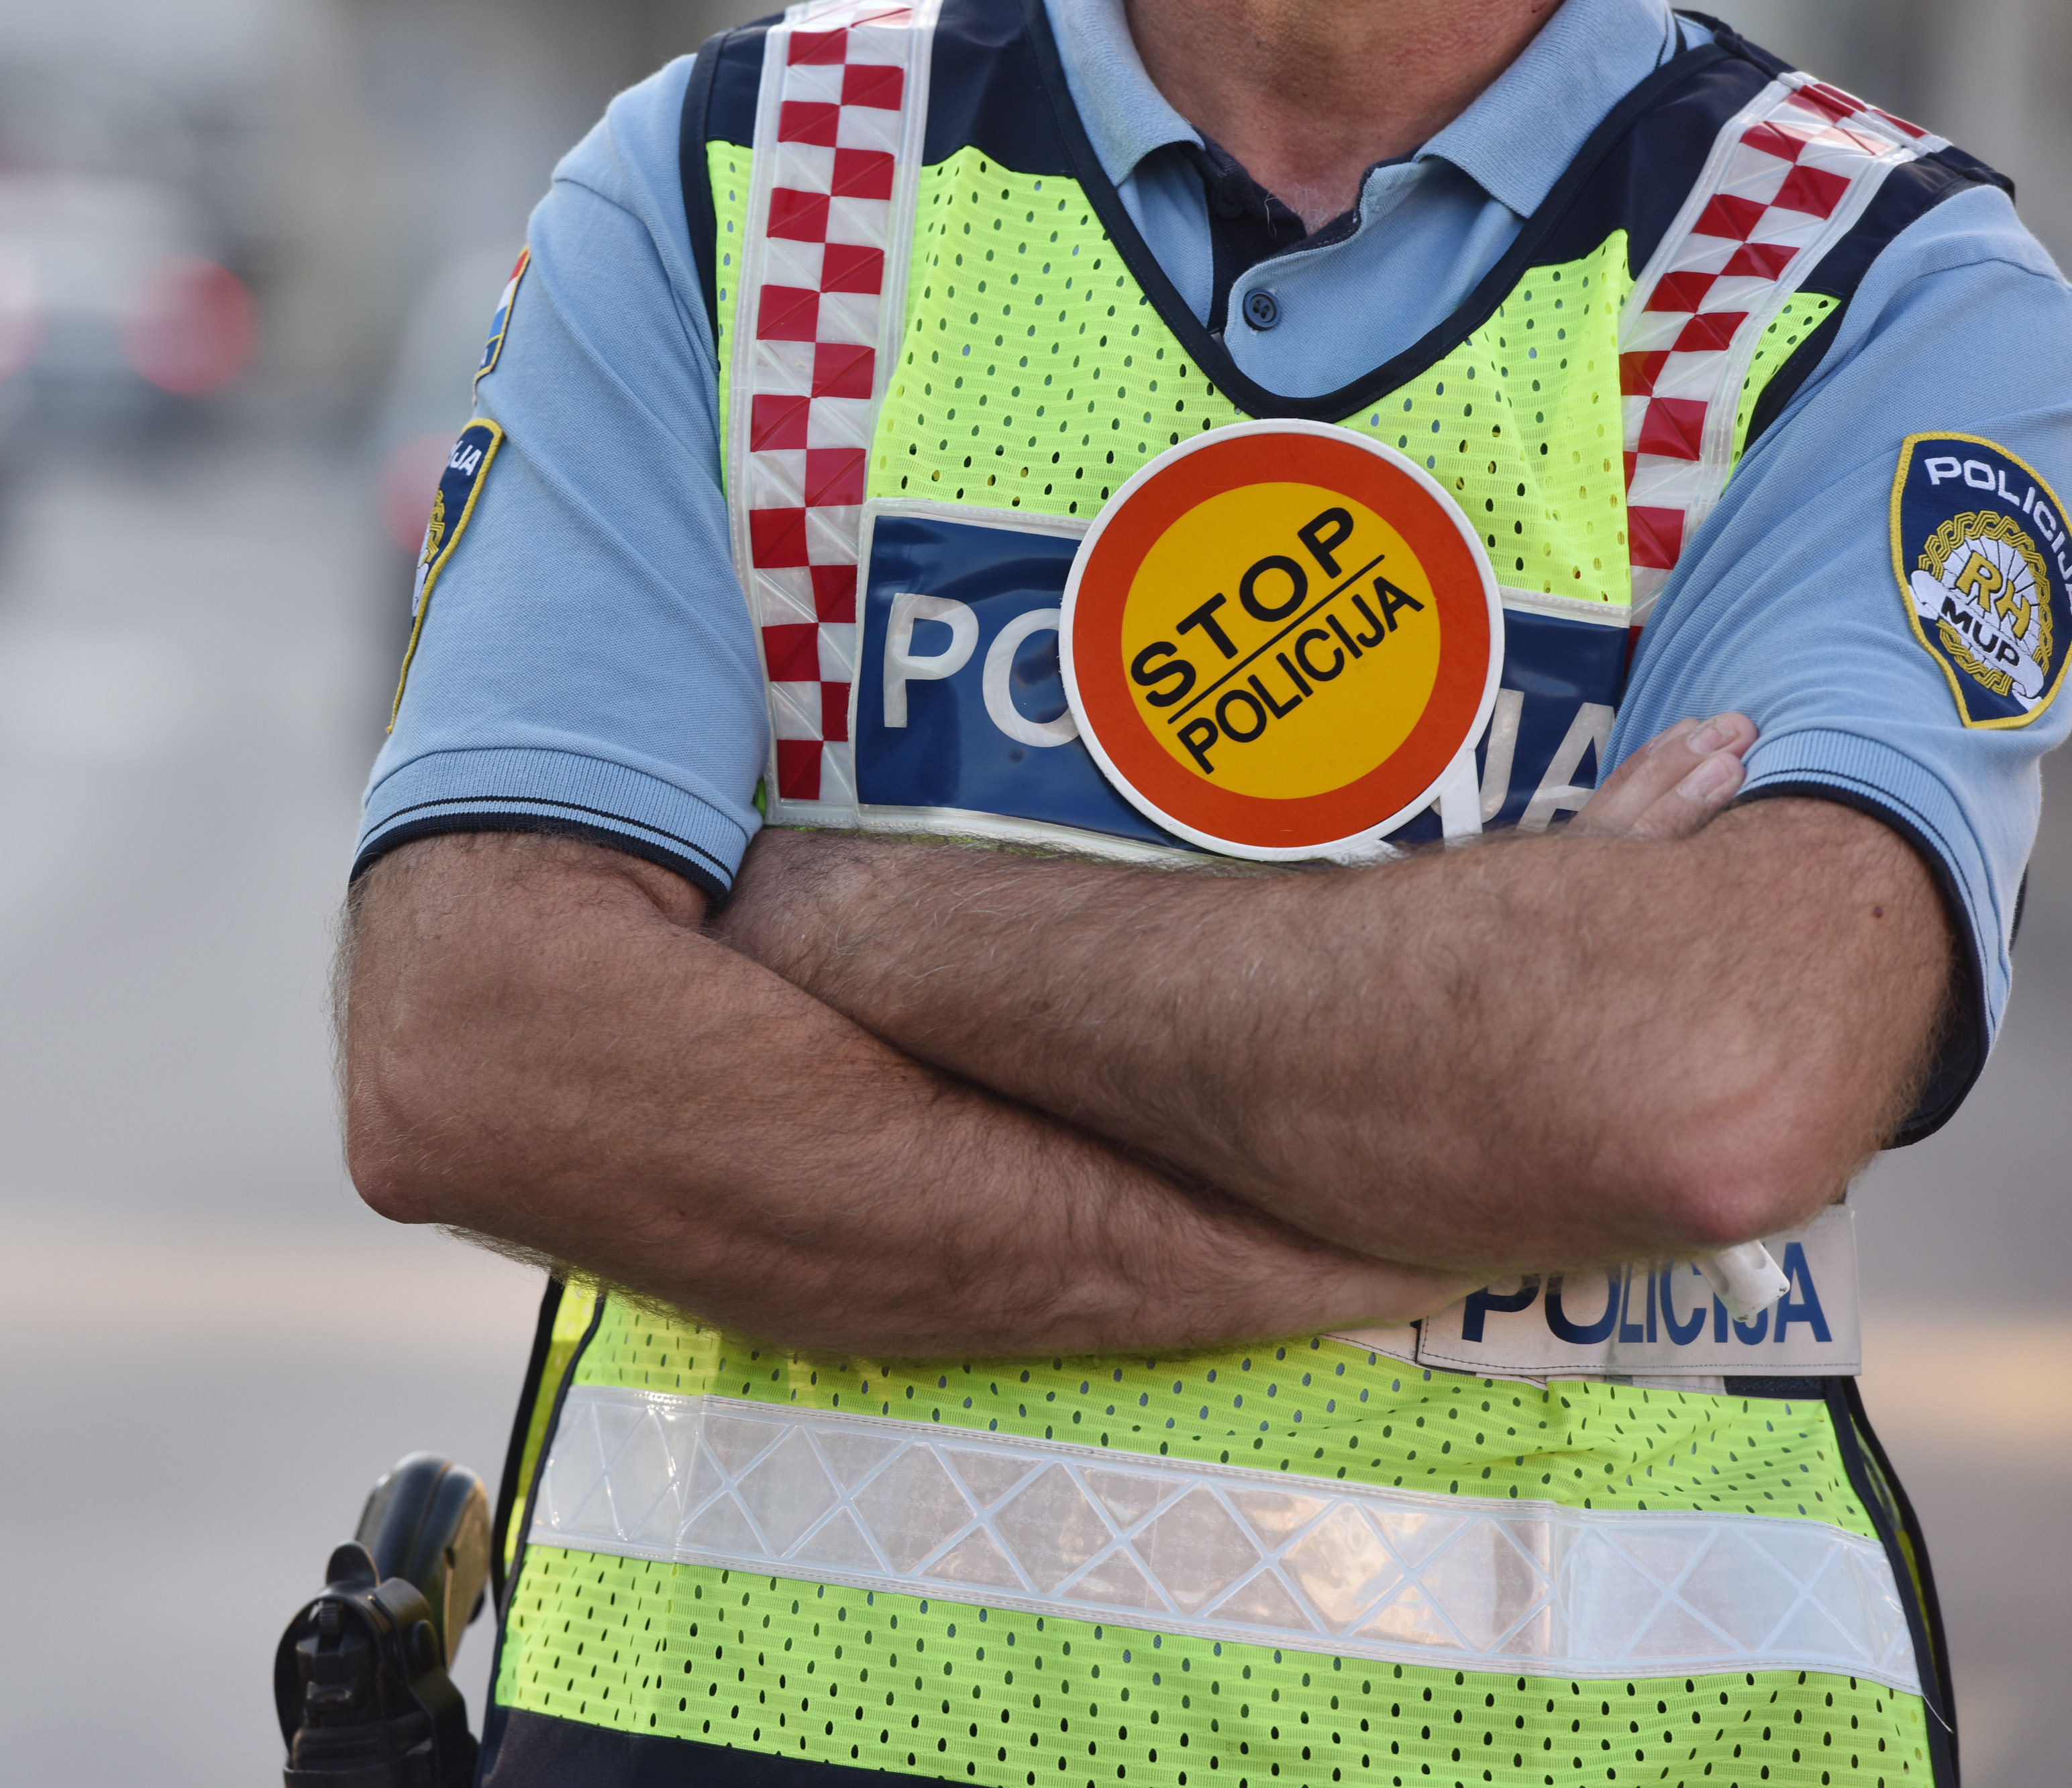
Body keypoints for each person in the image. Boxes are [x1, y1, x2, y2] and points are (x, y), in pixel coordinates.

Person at [339, 0, 2072, 1781]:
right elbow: (474, 1054)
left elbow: (1706, 1084)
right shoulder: (742, 179)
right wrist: (1463, 1134)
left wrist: (832, 911)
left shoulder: (1874, 278)